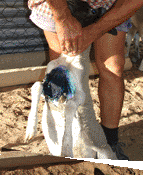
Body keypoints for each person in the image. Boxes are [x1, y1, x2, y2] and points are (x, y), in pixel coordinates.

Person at [27, 0, 143, 160]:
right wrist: (62, 18)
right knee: (62, 75)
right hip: (58, 4)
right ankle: (63, 143)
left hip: (108, 5)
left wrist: (94, 31)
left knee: (113, 68)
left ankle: (110, 141)